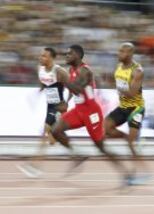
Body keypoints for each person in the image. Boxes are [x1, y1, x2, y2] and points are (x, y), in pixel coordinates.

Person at [51, 44, 133, 184]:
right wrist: (66, 101)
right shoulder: (71, 69)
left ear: (77, 55)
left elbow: (76, 88)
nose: (66, 55)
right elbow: (73, 92)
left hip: (91, 113)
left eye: (69, 54)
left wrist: (64, 80)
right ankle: (78, 154)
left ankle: (126, 173)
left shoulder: (85, 71)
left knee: (100, 147)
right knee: (56, 130)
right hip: (78, 110)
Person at [17, 47, 69, 178]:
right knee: (51, 139)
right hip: (49, 106)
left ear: (52, 58)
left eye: (44, 56)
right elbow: (44, 84)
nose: (41, 58)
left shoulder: (59, 71)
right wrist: (37, 94)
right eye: (41, 55)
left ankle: (34, 167)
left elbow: (73, 87)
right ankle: (74, 151)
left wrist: (66, 102)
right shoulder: (40, 69)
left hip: (58, 107)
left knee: (45, 132)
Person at [105, 42, 150, 181]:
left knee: (131, 144)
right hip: (123, 106)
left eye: (122, 52)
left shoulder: (138, 71)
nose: (119, 54)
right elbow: (120, 86)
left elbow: (132, 92)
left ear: (130, 54)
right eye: (119, 51)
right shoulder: (118, 67)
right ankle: (128, 138)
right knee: (105, 127)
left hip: (136, 109)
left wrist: (119, 88)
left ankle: (139, 173)